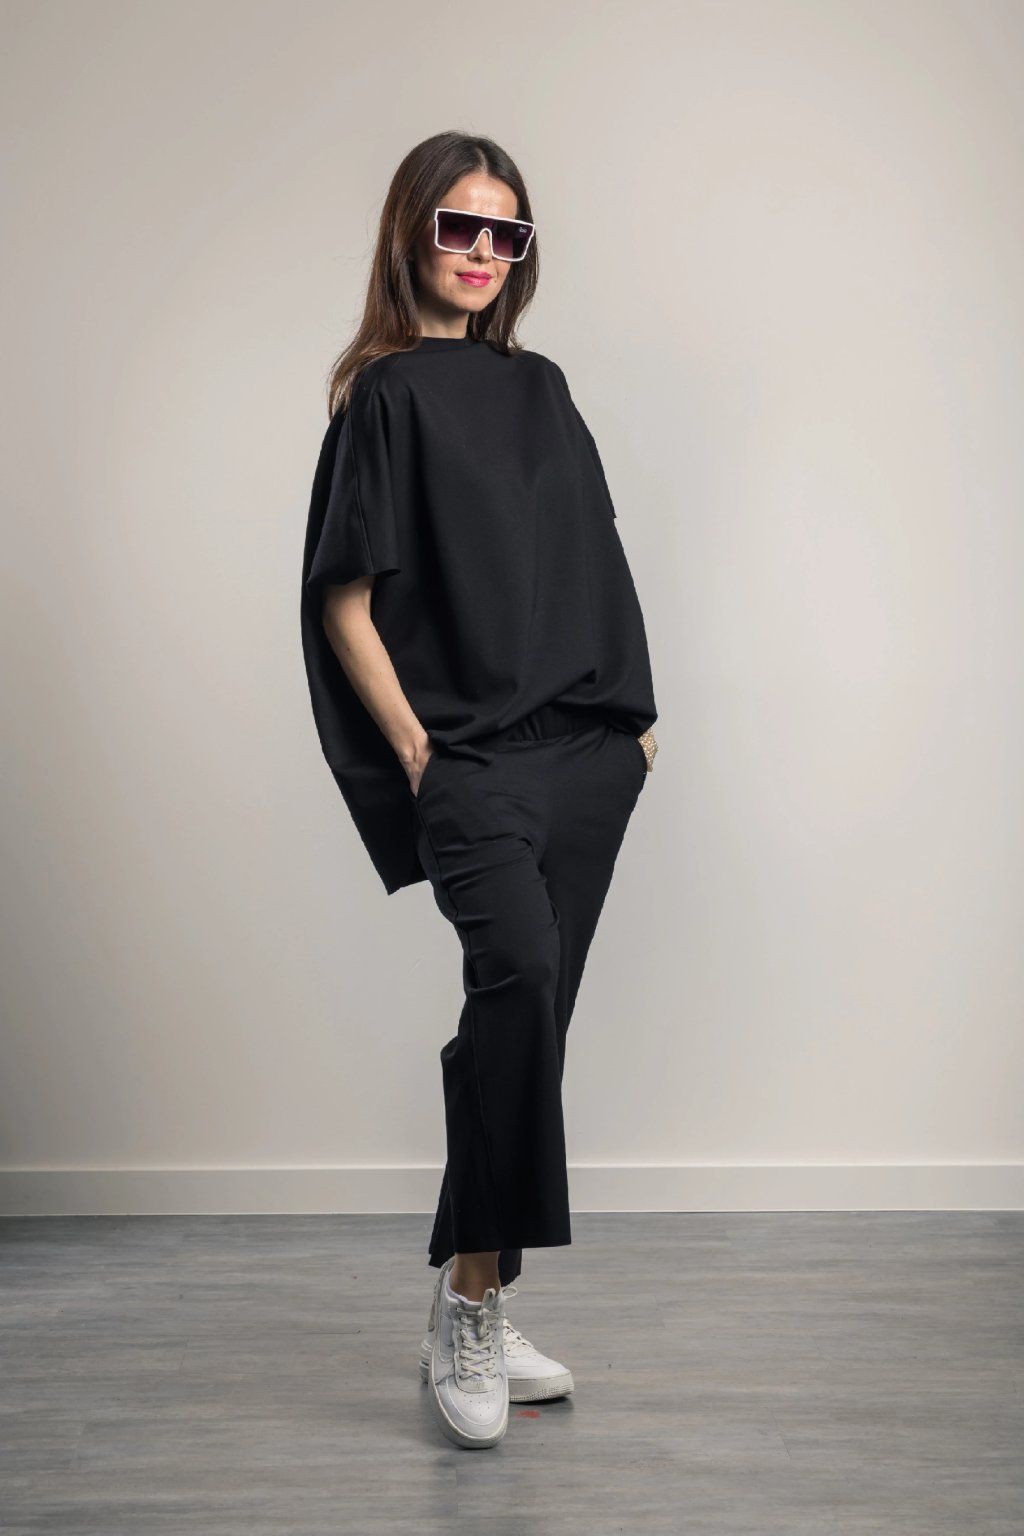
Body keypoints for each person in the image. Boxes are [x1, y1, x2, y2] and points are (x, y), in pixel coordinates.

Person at [299, 131, 659, 1450]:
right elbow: (343, 598)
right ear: (412, 233)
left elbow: (595, 552)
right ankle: (467, 1303)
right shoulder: (384, 397)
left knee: (530, 1023)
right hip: (469, 759)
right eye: (461, 226)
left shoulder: (542, 386)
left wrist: (634, 725)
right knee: (517, 981)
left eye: (507, 234)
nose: (483, 253)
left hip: (585, 753)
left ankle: (479, 1296)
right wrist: (414, 746)